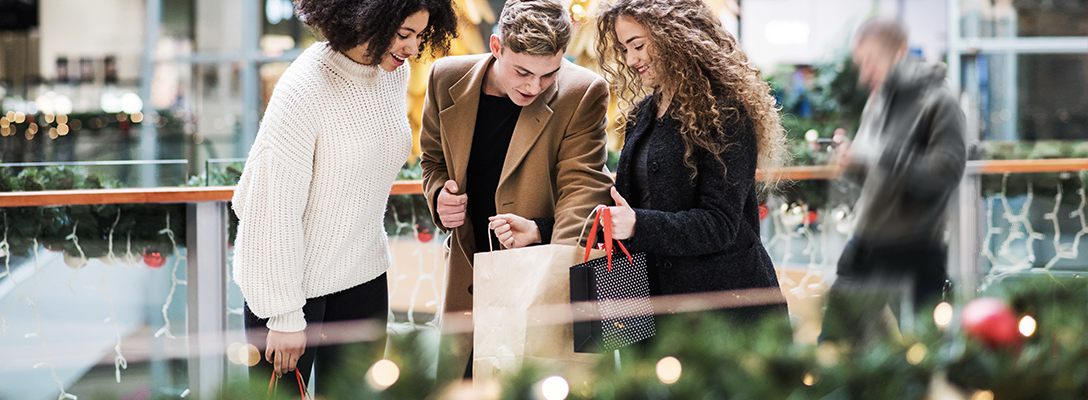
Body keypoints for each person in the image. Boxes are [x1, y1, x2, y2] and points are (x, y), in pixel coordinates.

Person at [230, 0, 458, 394]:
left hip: (363, 277)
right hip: (292, 292)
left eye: (420, 36)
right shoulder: (305, 86)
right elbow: (270, 209)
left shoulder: (390, 75)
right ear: (365, 16)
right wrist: (284, 315)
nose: (413, 49)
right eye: (404, 34)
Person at [419, 0, 613, 382]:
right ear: (496, 47)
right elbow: (433, 159)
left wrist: (556, 284)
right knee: (464, 383)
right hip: (468, 276)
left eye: (548, 75)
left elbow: (583, 191)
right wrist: (440, 194)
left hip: (538, 279)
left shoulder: (583, 92)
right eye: (522, 71)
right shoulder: (446, 77)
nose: (533, 87)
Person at [593, 0, 789, 328]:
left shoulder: (726, 113)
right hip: (657, 309)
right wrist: (540, 229)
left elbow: (720, 224)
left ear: (674, 36)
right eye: (625, 48)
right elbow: (625, 209)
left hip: (724, 315)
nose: (631, 59)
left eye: (638, 45)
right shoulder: (643, 114)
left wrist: (638, 226)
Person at [819, 18, 966, 342]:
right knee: (835, 345)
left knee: (928, 353)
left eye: (870, 61)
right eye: (861, 64)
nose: (864, 74)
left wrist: (882, 155)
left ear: (899, 53)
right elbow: (876, 173)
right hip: (867, 245)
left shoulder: (940, 100)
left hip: (915, 248)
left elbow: (946, 173)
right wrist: (852, 162)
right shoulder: (879, 101)